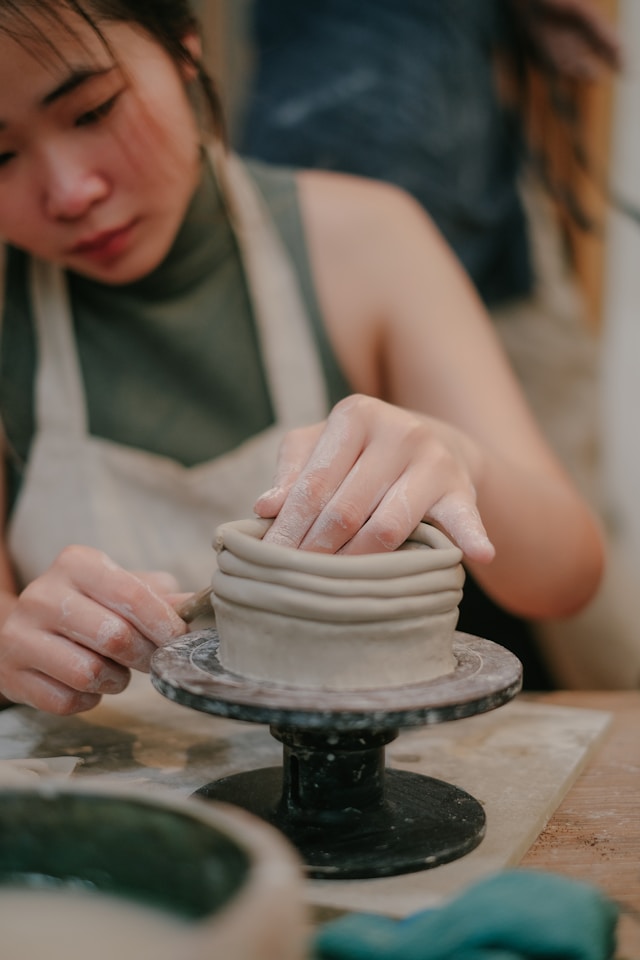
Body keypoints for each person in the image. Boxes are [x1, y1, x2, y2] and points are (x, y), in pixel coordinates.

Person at [0, 0, 603, 717]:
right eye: (1, 156)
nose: (72, 193)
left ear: (186, 54)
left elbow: (567, 578)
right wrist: (14, 638)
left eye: (93, 111)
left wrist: (462, 461)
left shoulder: (365, 236)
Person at [236, 0, 621, 687]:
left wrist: (477, 458)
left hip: (453, 154)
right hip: (343, 125)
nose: (74, 189)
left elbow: (569, 571)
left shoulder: (386, 230)